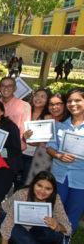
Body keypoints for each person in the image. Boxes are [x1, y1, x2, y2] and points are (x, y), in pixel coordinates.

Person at [46, 87, 84, 233]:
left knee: (73, 214)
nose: (73, 104)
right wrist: (58, 155)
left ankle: (65, 238)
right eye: (69, 101)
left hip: (80, 180)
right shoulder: (60, 124)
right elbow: (50, 147)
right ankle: (51, 238)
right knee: (55, 210)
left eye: (78, 100)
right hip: (59, 175)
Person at [0, 171, 72, 244]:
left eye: (48, 188)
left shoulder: (55, 198)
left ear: (53, 191)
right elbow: (8, 223)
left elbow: (68, 228)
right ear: (33, 184)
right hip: (8, 218)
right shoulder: (23, 194)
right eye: (39, 185)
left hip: (34, 226)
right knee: (29, 241)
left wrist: (57, 226)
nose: (42, 191)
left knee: (55, 235)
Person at [21, 89, 51, 185]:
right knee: (16, 180)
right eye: (37, 95)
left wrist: (31, 141)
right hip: (19, 153)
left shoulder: (48, 117)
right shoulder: (25, 111)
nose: (38, 98)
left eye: (43, 97)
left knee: (27, 183)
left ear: (47, 100)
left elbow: (45, 140)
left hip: (34, 157)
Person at [0, 77, 31, 153]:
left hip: (14, 148)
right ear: (0, 88)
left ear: (15, 88)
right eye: (3, 85)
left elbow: (25, 130)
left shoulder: (24, 105)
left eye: (9, 86)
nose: (6, 88)